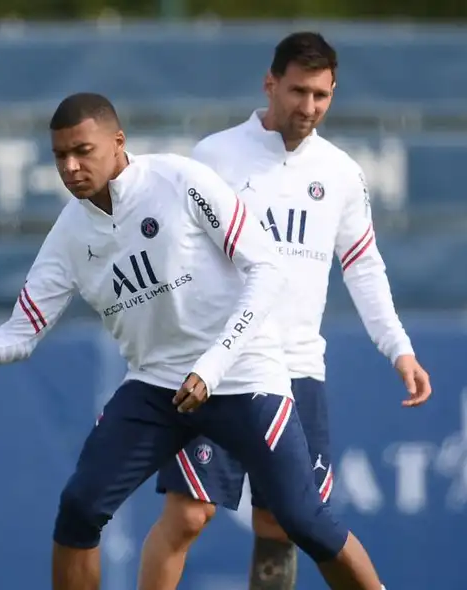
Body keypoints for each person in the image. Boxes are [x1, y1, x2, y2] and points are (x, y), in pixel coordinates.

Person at [0, 92, 388, 590]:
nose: (70, 167)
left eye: (82, 151)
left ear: (118, 141)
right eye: (60, 155)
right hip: (157, 388)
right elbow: (18, 336)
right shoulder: (69, 235)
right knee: (80, 507)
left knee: (302, 519)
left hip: (243, 374)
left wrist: (215, 364)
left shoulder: (180, 181)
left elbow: (267, 269)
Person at [139, 32, 432, 590]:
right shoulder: (216, 157)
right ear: (270, 84)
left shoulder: (341, 172)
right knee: (188, 513)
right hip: (221, 369)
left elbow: (363, 266)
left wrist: (400, 348)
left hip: (298, 370)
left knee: (285, 521)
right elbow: (174, 259)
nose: (309, 108)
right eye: (298, 91)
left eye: (322, 95)